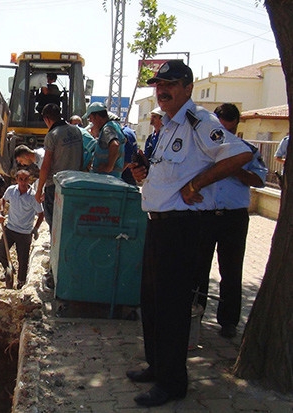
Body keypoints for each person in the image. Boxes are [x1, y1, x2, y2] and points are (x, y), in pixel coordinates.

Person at [127, 60, 252, 407]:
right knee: (151, 300)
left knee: (171, 306)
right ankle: (156, 365)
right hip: (159, 223)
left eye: (169, 83)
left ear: (187, 87)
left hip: (183, 227)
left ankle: (172, 383)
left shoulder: (200, 121)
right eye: (158, 84)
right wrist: (143, 175)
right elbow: (166, 173)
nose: (161, 90)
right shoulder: (166, 125)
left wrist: (197, 183)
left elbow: (241, 153)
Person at [194, 103, 267, 339]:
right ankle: (195, 314)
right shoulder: (202, 149)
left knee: (231, 270)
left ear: (236, 126)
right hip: (204, 215)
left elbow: (259, 180)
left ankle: (228, 322)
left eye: (229, 129)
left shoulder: (248, 151)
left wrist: (234, 167)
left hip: (233, 217)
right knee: (197, 268)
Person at [34, 103, 83, 230]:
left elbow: (46, 165)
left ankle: (56, 248)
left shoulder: (52, 135)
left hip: (55, 186)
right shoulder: (76, 131)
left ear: (47, 119)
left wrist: (39, 190)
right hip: (75, 184)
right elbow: (81, 158)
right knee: (70, 223)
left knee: (54, 224)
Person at [0, 169, 44, 289]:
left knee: (23, 260)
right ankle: (9, 270)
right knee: (1, 253)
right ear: (16, 179)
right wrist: (1, 209)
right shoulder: (11, 190)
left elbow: (41, 213)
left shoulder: (34, 196)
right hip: (10, 229)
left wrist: (35, 228)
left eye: (25, 179)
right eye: (20, 179)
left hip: (24, 233)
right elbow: (2, 199)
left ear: (29, 180)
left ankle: (21, 282)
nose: (23, 182)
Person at [84, 102, 126, 179]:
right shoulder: (115, 125)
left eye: (91, 118)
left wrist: (108, 167)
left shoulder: (107, 129)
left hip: (106, 179)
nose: (91, 122)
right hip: (112, 178)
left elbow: (115, 145)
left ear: (97, 117)